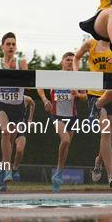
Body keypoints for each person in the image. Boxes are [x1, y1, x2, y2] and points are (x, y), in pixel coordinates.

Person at [73, 38, 112, 187]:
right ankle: (111, 175)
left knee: (111, 135)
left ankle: (98, 162)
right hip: (94, 95)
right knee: (106, 133)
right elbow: (76, 57)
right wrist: (78, 76)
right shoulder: (91, 43)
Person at [37, 52, 87, 193]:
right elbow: (39, 85)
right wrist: (45, 100)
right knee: (64, 141)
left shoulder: (77, 78)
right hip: (57, 115)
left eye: (72, 60)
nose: (70, 62)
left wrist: (78, 95)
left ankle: (58, 174)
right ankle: (58, 173)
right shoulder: (55, 76)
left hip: (72, 116)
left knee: (66, 148)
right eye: (68, 60)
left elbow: (85, 96)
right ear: (62, 61)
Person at [0, 32, 28, 191]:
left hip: (17, 108)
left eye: (13, 44)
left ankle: (1, 171)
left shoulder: (21, 62)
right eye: (8, 44)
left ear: (16, 47)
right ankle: (8, 168)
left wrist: (14, 72)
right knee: (5, 132)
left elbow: (26, 79)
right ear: (2, 46)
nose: (11, 46)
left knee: (10, 141)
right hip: (1, 105)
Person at [11, 95, 35, 182]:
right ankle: (4, 171)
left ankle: (15, 168)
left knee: (20, 150)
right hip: (9, 126)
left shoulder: (26, 98)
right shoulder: (8, 98)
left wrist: (30, 119)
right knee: (8, 151)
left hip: (21, 127)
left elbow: (33, 103)